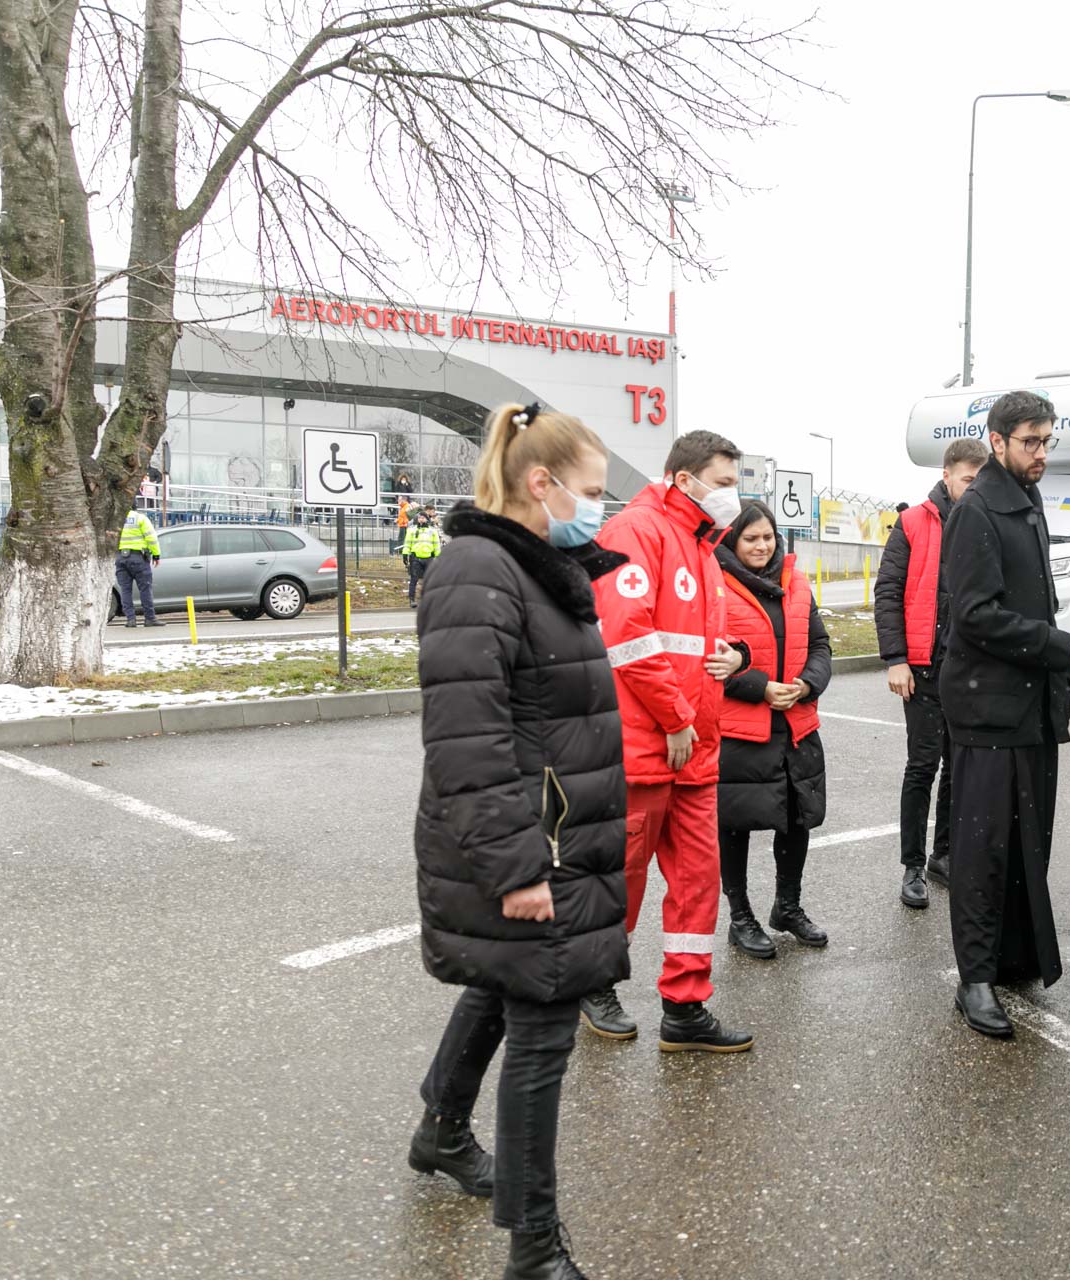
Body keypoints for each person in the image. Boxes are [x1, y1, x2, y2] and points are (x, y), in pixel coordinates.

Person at [411, 400, 626, 1280]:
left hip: (553, 835)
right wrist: (515, 868)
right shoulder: (478, 569)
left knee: (508, 987)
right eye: (592, 492)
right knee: (543, 1026)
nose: (600, 509)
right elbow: (468, 735)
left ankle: (441, 1132)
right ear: (541, 484)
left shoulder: (532, 567)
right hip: (526, 845)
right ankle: (533, 1250)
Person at [587, 429, 754, 1052]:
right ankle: (594, 982)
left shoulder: (699, 545)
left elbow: (694, 643)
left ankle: (685, 1009)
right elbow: (628, 638)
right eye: (726, 483)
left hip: (695, 750)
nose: (733, 497)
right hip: (646, 743)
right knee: (621, 875)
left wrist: (732, 658)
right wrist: (677, 718)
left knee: (696, 884)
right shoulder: (638, 531)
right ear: (685, 480)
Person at [941, 391, 1070, 1039]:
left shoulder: (1027, 502)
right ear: (997, 441)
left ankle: (1010, 959)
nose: (1041, 452)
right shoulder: (976, 510)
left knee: (1024, 840)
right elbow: (975, 617)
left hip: (1031, 707)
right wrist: (1065, 646)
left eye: (1047, 440)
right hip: (987, 709)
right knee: (982, 848)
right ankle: (974, 981)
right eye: (1030, 441)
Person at [714, 500, 834, 958]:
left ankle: (787, 905)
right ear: (732, 539)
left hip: (796, 722)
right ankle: (739, 916)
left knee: (797, 817)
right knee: (736, 824)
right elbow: (711, 659)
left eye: (767, 536)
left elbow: (820, 644)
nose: (762, 545)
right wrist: (761, 688)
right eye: (751, 538)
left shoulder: (796, 582)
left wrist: (806, 684)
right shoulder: (717, 585)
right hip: (742, 727)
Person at [873, 437, 988, 909]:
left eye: (981, 481)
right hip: (921, 671)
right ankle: (912, 867)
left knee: (959, 769)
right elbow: (888, 592)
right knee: (923, 767)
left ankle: (944, 855)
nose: (974, 488)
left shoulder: (984, 524)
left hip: (967, 672)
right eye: (967, 480)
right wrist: (895, 659)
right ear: (947, 475)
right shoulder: (912, 522)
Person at [115, 506, 166, 628]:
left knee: (125, 590)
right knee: (145, 589)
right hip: (138, 558)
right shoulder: (140, 518)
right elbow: (151, 538)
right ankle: (149, 618)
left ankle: (130, 620)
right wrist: (156, 555)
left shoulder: (116, 519)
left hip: (120, 558)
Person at [402, 508, 442, 608]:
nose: (421, 519)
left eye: (423, 517)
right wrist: (405, 554)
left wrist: (438, 557)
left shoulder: (432, 531)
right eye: (419, 517)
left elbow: (436, 545)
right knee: (414, 579)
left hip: (429, 557)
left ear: (427, 519)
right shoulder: (412, 530)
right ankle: (412, 600)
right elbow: (407, 544)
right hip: (416, 557)